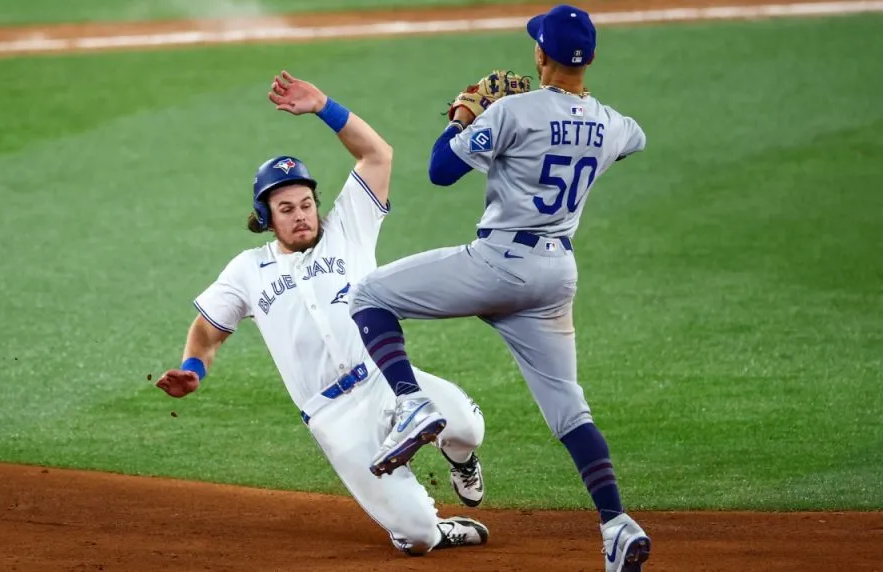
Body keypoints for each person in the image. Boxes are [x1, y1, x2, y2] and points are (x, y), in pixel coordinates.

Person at [346, 6, 652, 571]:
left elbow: (440, 170)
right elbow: (636, 138)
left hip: (498, 262)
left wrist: (466, 113)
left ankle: (412, 405)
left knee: (369, 296)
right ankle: (616, 524)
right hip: (556, 279)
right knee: (569, 410)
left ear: (540, 55)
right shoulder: (612, 123)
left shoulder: (513, 111)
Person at [155, 71, 488, 556]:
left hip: (385, 381)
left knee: (468, 428)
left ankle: (460, 461)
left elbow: (378, 155)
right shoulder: (248, 269)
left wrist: (324, 107)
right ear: (266, 217)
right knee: (417, 539)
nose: (302, 214)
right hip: (333, 417)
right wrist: (192, 369)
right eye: (286, 208)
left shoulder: (347, 229)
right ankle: (429, 527)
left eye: (307, 203)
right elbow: (208, 329)